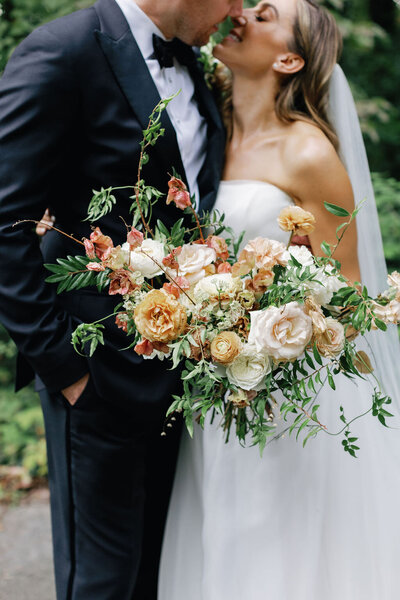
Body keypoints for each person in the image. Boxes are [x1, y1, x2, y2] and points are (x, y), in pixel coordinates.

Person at [0, 0, 244, 598]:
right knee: (102, 582)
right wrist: (63, 366)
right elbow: (5, 220)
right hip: (96, 374)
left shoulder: (196, 63)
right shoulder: (62, 51)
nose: (239, 10)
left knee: (159, 574)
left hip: (184, 372)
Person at [159, 1, 400, 598]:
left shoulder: (309, 153)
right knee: (224, 535)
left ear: (289, 58)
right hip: (215, 381)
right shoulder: (203, 125)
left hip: (289, 396)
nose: (240, 14)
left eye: (264, 15)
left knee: (277, 548)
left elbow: (351, 296)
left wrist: (271, 327)